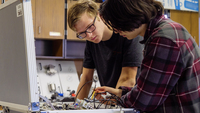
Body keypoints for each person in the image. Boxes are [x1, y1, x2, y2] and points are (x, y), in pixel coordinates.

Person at [95, 0, 200, 112]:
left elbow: (144, 101)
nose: (116, 31)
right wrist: (120, 93)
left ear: (127, 15)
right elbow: (151, 90)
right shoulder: (166, 30)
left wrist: (117, 99)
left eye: (117, 24)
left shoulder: (163, 40)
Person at [67, 0, 143, 100]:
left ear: (99, 16)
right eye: (82, 33)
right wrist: (77, 107)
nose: (89, 35)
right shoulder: (92, 42)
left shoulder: (127, 33)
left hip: (132, 102)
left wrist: (113, 103)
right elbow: (86, 78)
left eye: (90, 26)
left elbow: (128, 78)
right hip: (112, 102)